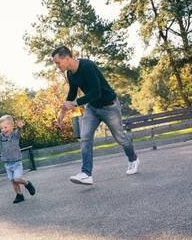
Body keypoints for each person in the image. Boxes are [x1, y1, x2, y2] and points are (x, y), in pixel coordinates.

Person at [53, 46, 139, 185]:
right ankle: (86, 174)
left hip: (109, 106)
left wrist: (75, 104)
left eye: (58, 63)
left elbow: (96, 92)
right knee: (85, 138)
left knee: (121, 138)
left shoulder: (87, 66)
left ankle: (133, 158)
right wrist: (62, 112)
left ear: (67, 58)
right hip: (92, 108)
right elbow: (72, 94)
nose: (57, 66)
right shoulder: (70, 73)